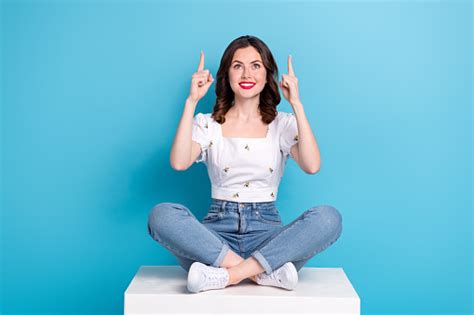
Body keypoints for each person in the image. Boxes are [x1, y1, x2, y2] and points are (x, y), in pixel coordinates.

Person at [147, 35, 343, 294]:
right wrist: (191, 101)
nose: (246, 73)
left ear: (267, 75)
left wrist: (297, 103)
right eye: (237, 65)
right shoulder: (208, 123)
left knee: (329, 218)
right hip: (217, 237)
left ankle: (228, 276)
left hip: (268, 235)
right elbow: (179, 162)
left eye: (256, 65)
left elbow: (312, 165)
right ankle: (260, 272)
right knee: (161, 215)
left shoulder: (281, 124)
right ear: (227, 74)